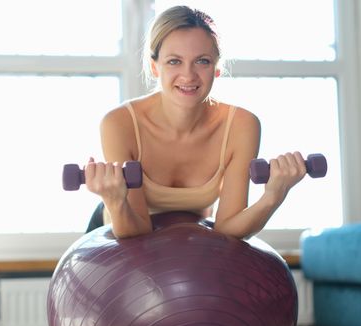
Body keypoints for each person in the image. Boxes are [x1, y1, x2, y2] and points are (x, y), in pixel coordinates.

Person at [85, 5, 306, 239]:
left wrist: (274, 195)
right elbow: (137, 232)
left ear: (217, 68)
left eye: (202, 61)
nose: (188, 75)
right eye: (174, 61)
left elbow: (228, 228)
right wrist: (113, 200)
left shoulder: (241, 125)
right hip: (118, 233)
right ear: (154, 67)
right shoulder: (119, 123)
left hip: (191, 243)